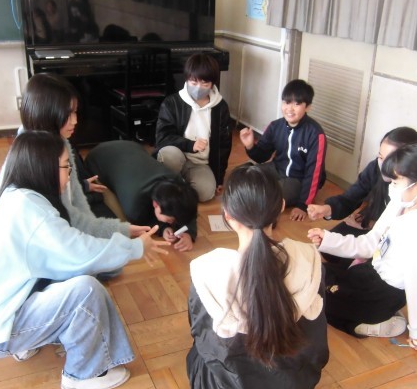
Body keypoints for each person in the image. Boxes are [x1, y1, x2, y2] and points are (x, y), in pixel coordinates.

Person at [0, 131, 168, 389]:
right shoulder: (33, 212)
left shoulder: (18, 195)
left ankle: (32, 342)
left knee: (74, 277)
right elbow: (81, 253)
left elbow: (76, 239)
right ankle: (81, 374)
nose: (69, 174)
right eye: (65, 166)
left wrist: (123, 236)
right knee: (85, 290)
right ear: (43, 167)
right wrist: (135, 247)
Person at [184, 165, 329, 389]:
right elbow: (317, 339)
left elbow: (205, 343)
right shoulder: (309, 259)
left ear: (228, 215)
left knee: (195, 354)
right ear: (281, 206)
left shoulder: (208, 271)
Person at [308, 142, 417, 353]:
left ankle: (378, 322)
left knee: (314, 303)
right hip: (369, 273)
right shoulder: (401, 203)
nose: (391, 186)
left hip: (380, 293)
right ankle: (367, 317)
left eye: (396, 181)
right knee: (313, 276)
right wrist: (328, 240)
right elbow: (370, 243)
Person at [0, 73, 149, 240]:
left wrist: (123, 231)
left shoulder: (53, 143)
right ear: (46, 114)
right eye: (67, 115)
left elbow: (76, 213)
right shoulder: (37, 165)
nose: (75, 121)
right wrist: (128, 243)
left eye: (75, 112)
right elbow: (70, 231)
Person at [308, 127, 417, 265]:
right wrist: (327, 209)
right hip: (372, 231)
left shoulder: (415, 195)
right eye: (380, 157)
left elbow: (397, 239)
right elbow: (351, 197)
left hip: (389, 243)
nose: (383, 165)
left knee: (352, 265)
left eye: (390, 160)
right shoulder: (376, 169)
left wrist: (369, 225)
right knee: (327, 249)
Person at [85, 140, 199, 252]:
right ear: (155, 204)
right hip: (97, 159)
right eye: (170, 220)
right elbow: (142, 223)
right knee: (123, 223)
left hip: (130, 145)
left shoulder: (177, 183)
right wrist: (162, 227)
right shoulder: (134, 205)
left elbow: (188, 207)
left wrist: (189, 232)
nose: (173, 223)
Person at [239, 79, 327, 222]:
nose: (290, 109)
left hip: (298, 180)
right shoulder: (275, 126)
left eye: (297, 104)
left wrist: (303, 205)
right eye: (286, 102)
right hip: (276, 169)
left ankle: (259, 209)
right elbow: (262, 156)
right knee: (241, 175)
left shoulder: (316, 134)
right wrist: (250, 146)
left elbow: (314, 173)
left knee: (267, 197)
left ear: (308, 107)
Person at [154, 53, 232, 202]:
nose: (198, 88)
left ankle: (178, 184)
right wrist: (190, 145)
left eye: (205, 83)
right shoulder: (172, 103)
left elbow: (224, 146)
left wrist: (219, 178)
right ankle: (174, 185)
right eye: (193, 82)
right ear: (187, 79)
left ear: (212, 83)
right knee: (169, 156)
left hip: (199, 163)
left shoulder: (221, 107)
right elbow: (162, 138)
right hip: (177, 155)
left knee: (206, 193)